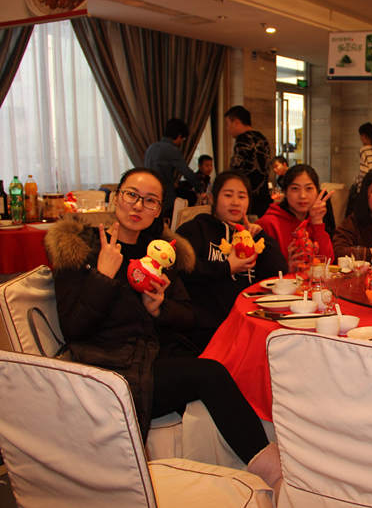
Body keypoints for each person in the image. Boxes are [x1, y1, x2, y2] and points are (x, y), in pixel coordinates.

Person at [43, 167, 279, 480]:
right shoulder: (80, 250)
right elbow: (74, 328)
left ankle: (239, 470)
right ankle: (270, 470)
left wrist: (159, 309)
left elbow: (188, 314)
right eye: (131, 195)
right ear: (116, 198)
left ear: (158, 210)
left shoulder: (161, 252)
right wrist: (103, 277)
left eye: (150, 200)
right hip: (112, 370)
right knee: (210, 374)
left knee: (230, 361)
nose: (138, 206)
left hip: (154, 355)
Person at [178, 171, 286, 336]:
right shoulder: (195, 229)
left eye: (242, 197)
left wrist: (261, 235)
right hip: (207, 329)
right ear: (213, 198)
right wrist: (227, 267)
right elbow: (185, 271)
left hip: (250, 323)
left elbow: (279, 271)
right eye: (228, 195)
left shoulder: (250, 236)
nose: (235, 202)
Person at [257, 164, 334, 262]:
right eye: (295, 188)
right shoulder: (268, 224)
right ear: (285, 192)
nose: (302, 195)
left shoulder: (314, 219)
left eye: (309, 188)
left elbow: (327, 262)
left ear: (317, 191)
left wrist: (317, 222)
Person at [225, 105, 273, 216]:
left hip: (248, 195)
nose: (227, 129)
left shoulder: (243, 139)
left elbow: (237, 168)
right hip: (263, 195)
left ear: (236, 122)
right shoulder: (262, 138)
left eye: (228, 124)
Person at [143, 118, 195, 217]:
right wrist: (200, 188)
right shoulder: (172, 150)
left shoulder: (151, 148)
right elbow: (187, 173)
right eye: (182, 139)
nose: (181, 143)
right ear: (179, 136)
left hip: (149, 193)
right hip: (165, 196)